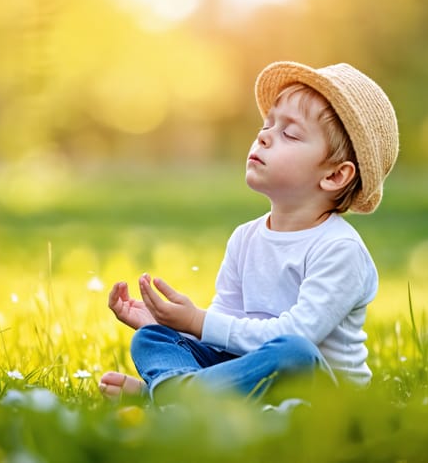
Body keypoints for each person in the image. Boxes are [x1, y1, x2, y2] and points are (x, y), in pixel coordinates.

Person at [98, 61, 399, 404]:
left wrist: (198, 320)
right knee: (152, 340)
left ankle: (167, 397)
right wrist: (172, 324)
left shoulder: (339, 249)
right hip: (246, 374)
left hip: (320, 398)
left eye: (290, 133)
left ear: (333, 176)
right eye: (267, 124)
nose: (264, 135)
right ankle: (183, 397)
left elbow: (299, 334)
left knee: (293, 351)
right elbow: (224, 331)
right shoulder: (245, 238)